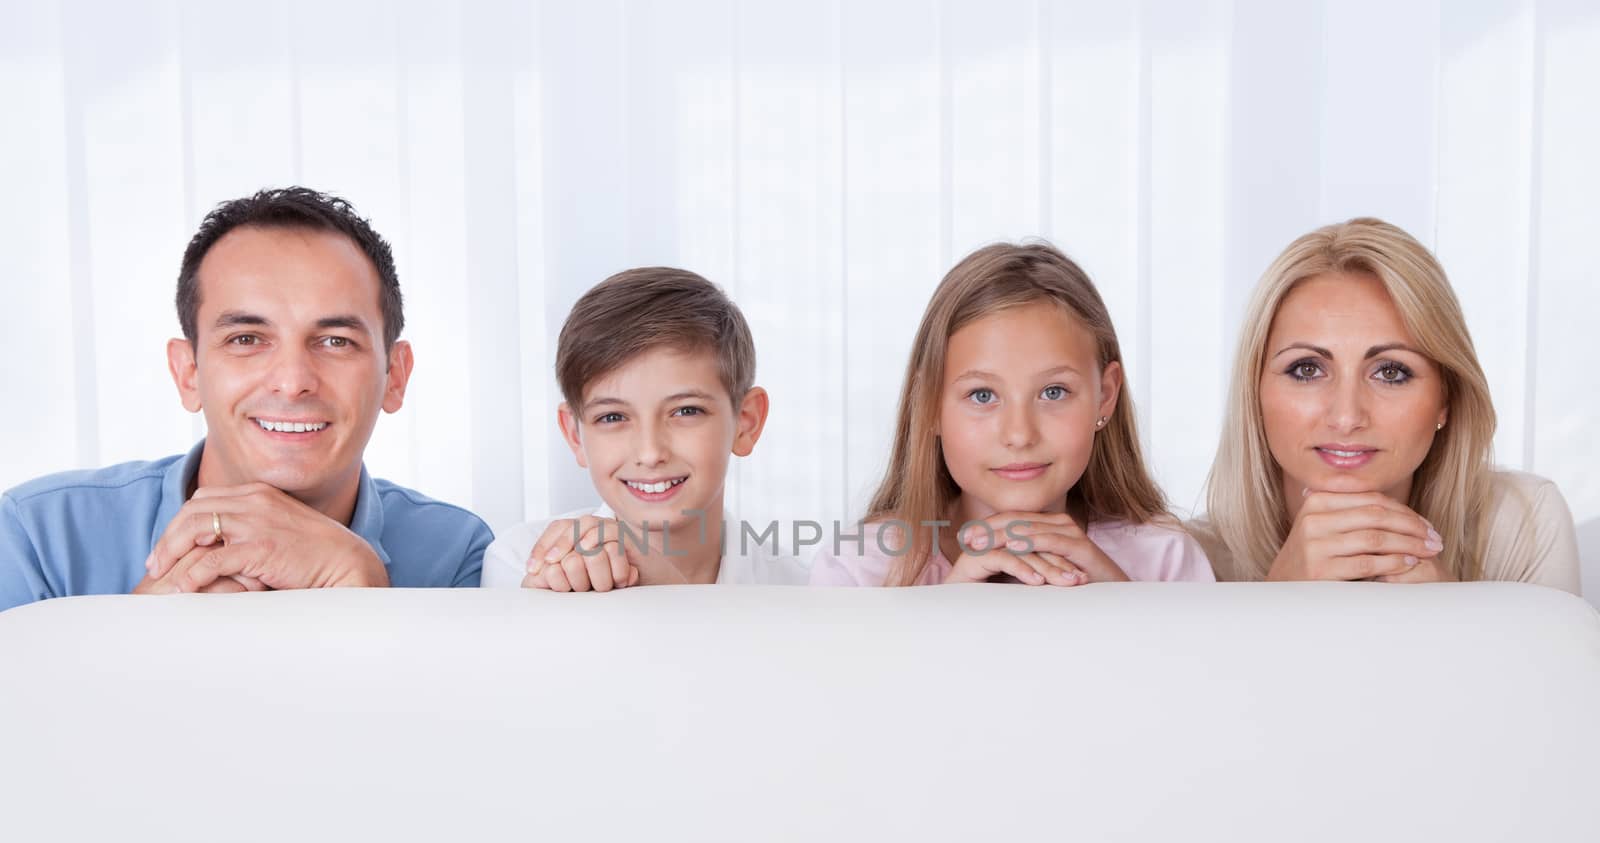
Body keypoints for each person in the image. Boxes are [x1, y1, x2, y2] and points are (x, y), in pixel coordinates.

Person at [0, 187, 491, 612]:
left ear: (395, 376)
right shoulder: (36, 538)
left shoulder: (459, 555)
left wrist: (362, 591)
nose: (293, 381)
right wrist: (140, 629)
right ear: (188, 372)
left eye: (336, 341)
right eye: (247, 339)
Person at [1193, 217, 1580, 591]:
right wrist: (1276, 604)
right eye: (1307, 369)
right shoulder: (1191, 562)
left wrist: (1451, 615)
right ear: (1255, 392)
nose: (1346, 418)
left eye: (1391, 372)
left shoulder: (1522, 526)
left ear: (1446, 398)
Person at [810, 241, 1213, 587]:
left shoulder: (1166, 561)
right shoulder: (858, 570)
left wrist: (1120, 602)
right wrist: (943, 613)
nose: (1019, 435)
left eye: (1054, 392)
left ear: (1104, 397)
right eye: (982, 395)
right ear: (928, 405)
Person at [480, 267, 804, 590]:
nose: (650, 453)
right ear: (575, 434)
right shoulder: (522, 563)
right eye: (612, 417)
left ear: (746, 422)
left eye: (686, 411)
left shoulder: (799, 590)